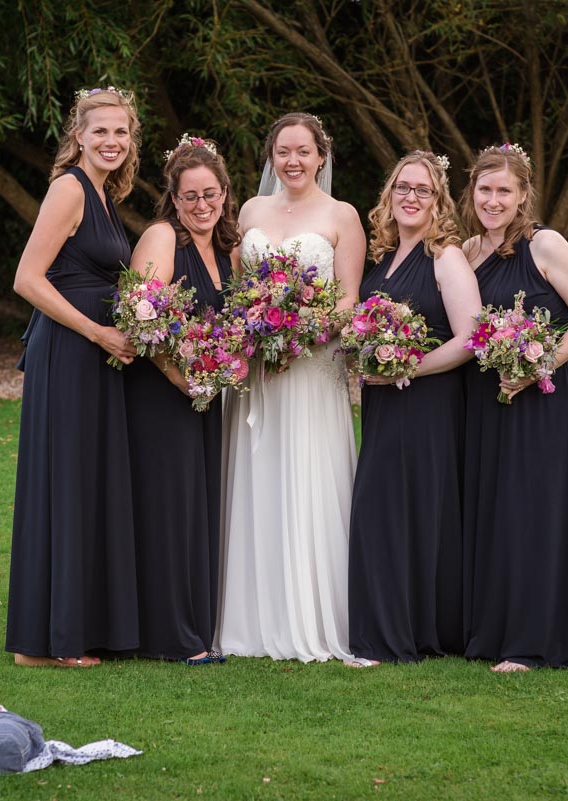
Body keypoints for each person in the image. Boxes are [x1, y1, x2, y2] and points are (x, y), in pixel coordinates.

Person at [458, 143, 568, 672]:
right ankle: (493, 629)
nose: (493, 199)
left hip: (544, 398)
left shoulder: (545, 245)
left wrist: (536, 366)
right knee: (494, 509)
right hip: (488, 398)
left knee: (534, 509)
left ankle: (531, 641)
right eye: (485, 189)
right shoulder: (468, 251)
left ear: (523, 194)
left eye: (504, 190)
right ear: (472, 191)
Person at [216, 112, 366, 663]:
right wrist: (257, 333)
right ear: (271, 156)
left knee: (307, 474)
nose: (294, 161)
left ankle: (311, 615)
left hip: (310, 366)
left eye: (304, 151)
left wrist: (300, 332)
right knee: (256, 476)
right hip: (258, 371)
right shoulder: (251, 211)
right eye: (283, 151)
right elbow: (237, 289)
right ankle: (249, 619)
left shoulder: (342, 216)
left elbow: (349, 297)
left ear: (321, 156)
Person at [5, 86, 141, 668]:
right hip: (69, 352)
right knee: (66, 486)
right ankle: (55, 644)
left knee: (79, 485)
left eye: (121, 132)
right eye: (101, 131)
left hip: (92, 356)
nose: (111, 141)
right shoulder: (69, 189)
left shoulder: (106, 195)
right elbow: (28, 280)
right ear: (78, 136)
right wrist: (97, 331)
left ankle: (48, 639)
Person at [346, 152, 481, 666]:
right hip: (386, 403)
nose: (410, 197)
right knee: (385, 513)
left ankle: (396, 637)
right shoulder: (384, 258)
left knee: (409, 513)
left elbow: (471, 339)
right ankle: (397, 630)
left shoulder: (445, 257)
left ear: (438, 200)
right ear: (389, 194)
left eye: (423, 190)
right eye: (403, 187)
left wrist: (408, 368)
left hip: (426, 404)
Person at [124, 135, 239, 664]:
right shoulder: (162, 238)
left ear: (224, 194)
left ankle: (197, 629)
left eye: (210, 194)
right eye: (190, 196)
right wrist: (180, 378)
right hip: (163, 395)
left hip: (205, 396)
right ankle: (171, 638)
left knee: (199, 509)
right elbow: (140, 319)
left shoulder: (224, 251)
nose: (201, 205)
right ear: (173, 197)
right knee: (169, 509)